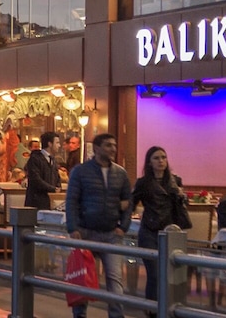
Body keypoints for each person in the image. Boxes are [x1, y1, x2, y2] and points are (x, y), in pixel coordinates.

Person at [64, 133, 130, 318]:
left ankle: (116, 315)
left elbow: (128, 201)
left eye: (114, 145)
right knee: (82, 276)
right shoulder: (80, 171)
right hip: (86, 232)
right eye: (108, 145)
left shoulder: (120, 173)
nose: (113, 149)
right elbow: (72, 200)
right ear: (97, 148)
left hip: (111, 233)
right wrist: (73, 227)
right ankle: (80, 314)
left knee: (115, 279)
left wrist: (123, 227)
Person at [131, 146, 192, 303]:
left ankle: (167, 305)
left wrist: (181, 195)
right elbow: (132, 203)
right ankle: (153, 307)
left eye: (163, 157)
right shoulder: (143, 183)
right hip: (149, 231)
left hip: (170, 231)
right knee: (154, 273)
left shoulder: (175, 181)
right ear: (149, 162)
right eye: (156, 158)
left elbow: (182, 206)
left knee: (169, 273)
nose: (161, 161)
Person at [24, 132, 62, 210]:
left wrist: (58, 187)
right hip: (36, 202)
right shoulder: (35, 158)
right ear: (50, 144)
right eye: (57, 143)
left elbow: (57, 177)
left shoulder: (53, 159)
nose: (59, 145)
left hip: (50, 200)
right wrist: (52, 189)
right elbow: (36, 179)